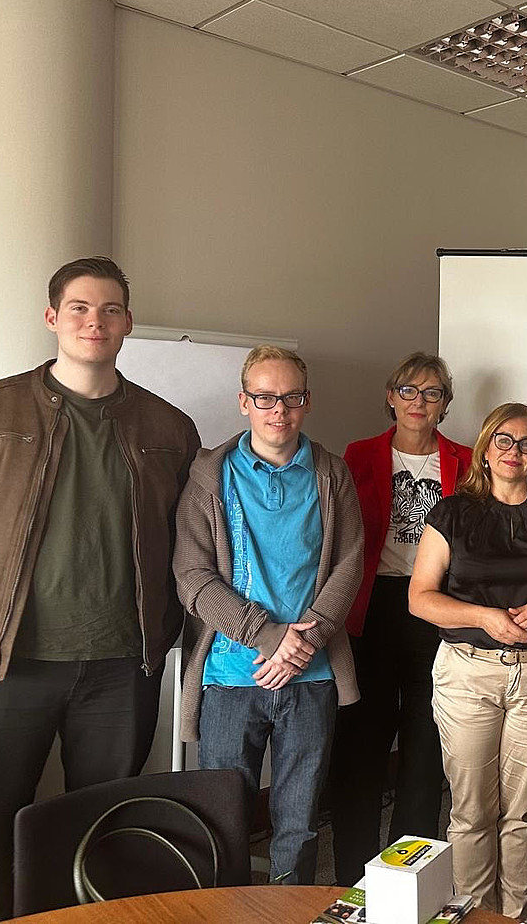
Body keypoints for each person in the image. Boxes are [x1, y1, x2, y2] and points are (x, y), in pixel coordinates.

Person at [0, 257, 200, 923]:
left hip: (117, 671)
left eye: (108, 309)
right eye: (78, 307)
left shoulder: (169, 429)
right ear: (52, 317)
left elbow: (188, 543)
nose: (93, 321)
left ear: (127, 323)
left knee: (101, 837)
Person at [175, 345, 363, 884]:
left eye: (291, 398)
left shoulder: (331, 475)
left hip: (312, 675)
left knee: (299, 824)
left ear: (307, 402)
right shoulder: (209, 477)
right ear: (243, 402)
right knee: (224, 821)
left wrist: (304, 642)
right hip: (231, 676)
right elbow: (191, 577)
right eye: (264, 397)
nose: (278, 409)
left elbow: (349, 563)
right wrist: (268, 636)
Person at [409, 402, 527, 921]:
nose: (514, 452)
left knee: (523, 811)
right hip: (467, 673)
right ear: (486, 449)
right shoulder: (452, 512)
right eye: (504, 441)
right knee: (470, 812)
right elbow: (420, 597)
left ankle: (516, 913)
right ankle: (474, 914)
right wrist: (485, 617)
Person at [329, 352, 473, 883]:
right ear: (391, 397)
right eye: (408, 391)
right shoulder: (359, 454)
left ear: (444, 404)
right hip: (372, 610)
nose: (419, 402)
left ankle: (407, 878)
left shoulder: (465, 458)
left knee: (425, 745)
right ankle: (350, 874)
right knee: (362, 745)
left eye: (432, 393)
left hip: (436, 609)